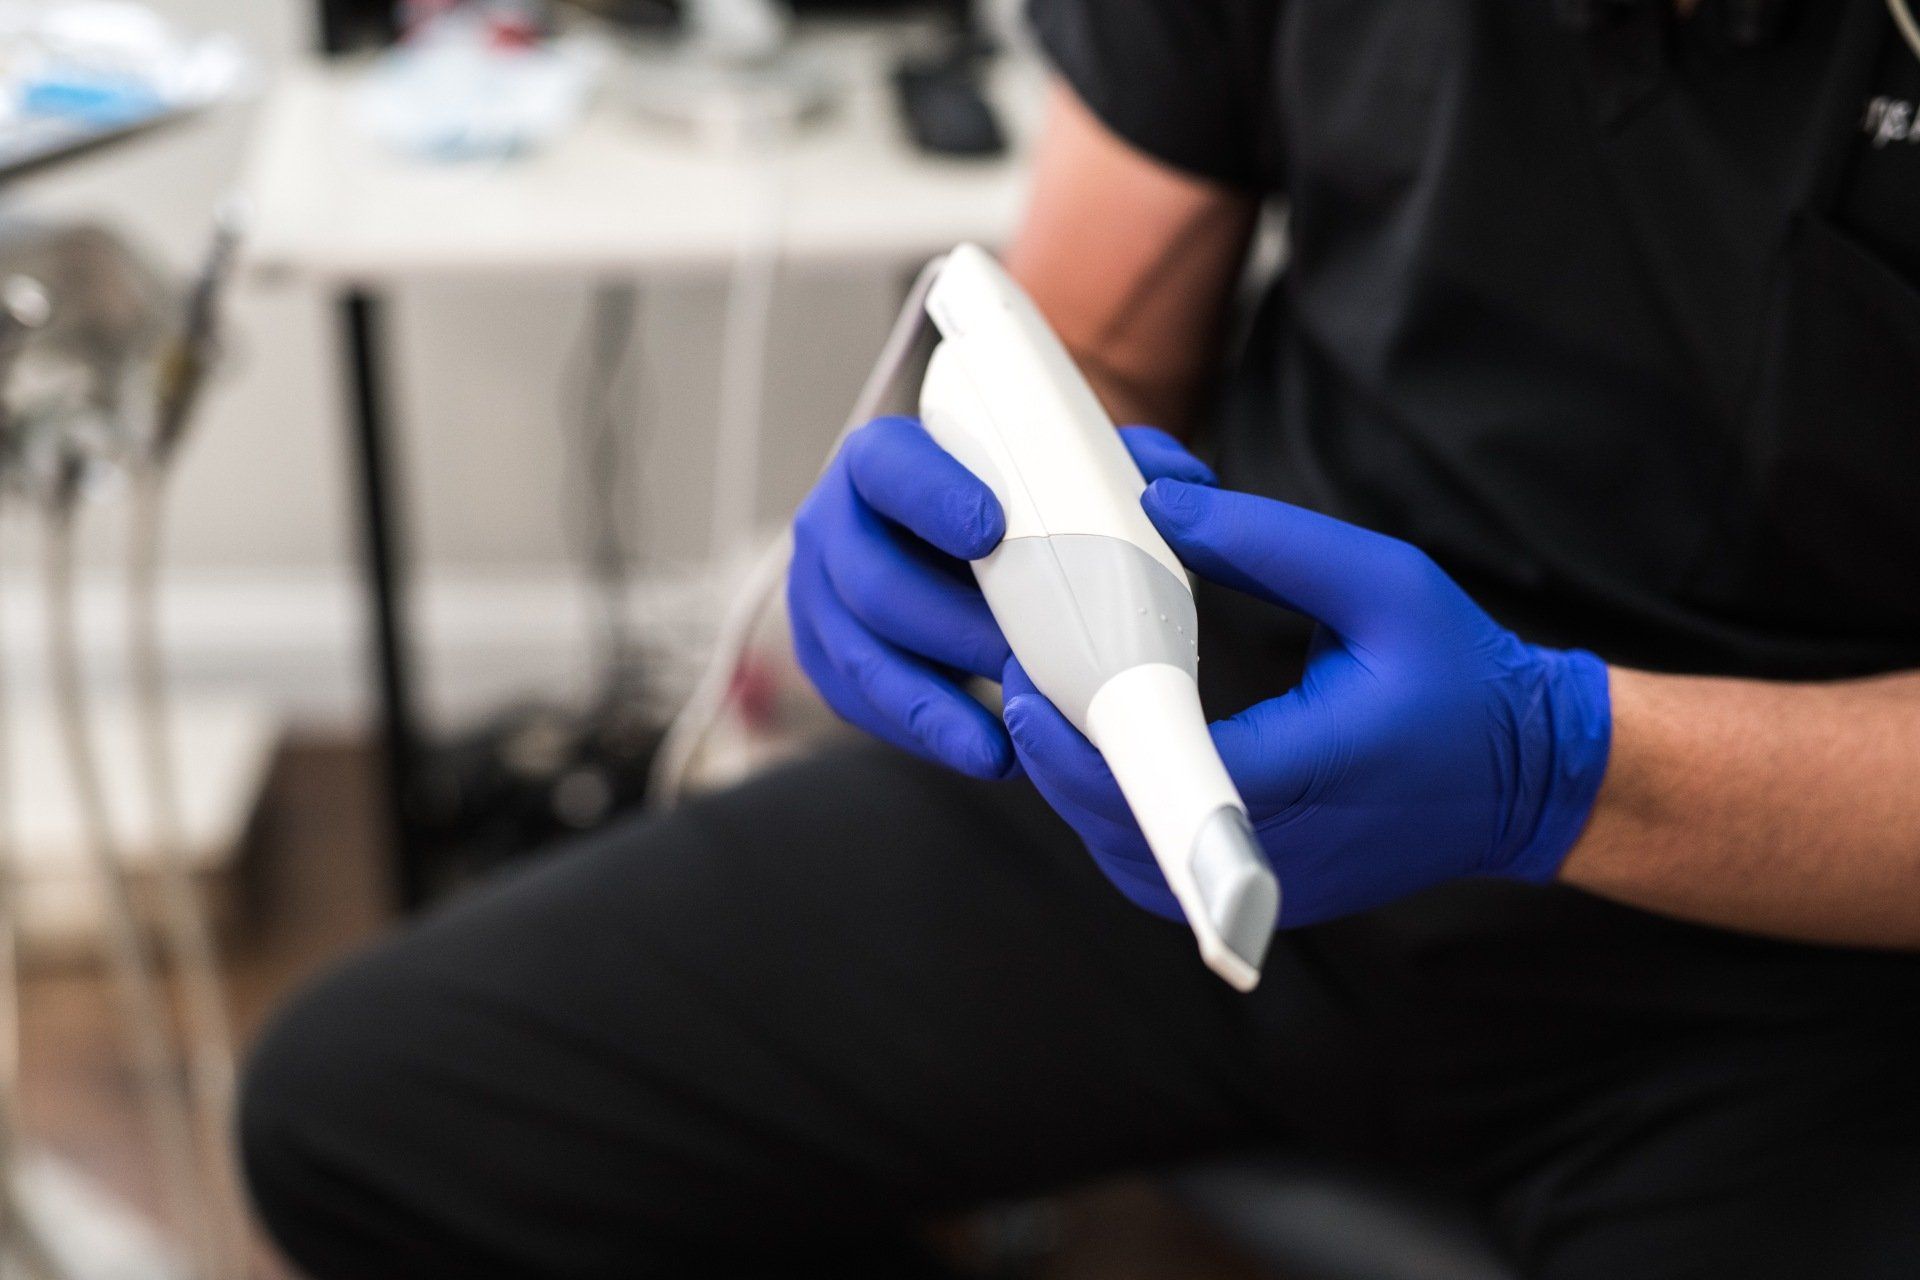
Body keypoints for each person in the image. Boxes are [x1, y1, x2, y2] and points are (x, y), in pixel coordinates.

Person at [238, 2, 1920, 1276]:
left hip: (1798, 956)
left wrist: (1556, 766)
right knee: (368, 1119)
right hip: (1200, 771)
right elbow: (1100, 321)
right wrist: (976, 514)